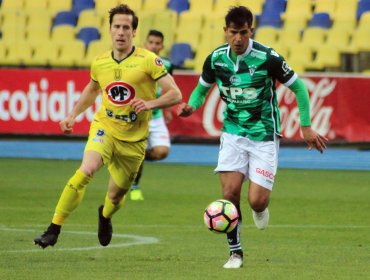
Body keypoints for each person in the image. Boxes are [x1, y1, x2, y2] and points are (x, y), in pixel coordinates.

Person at [177, 6, 328, 269]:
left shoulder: (268, 58)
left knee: (256, 200)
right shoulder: (215, 60)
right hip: (233, 133)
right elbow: (201, 91)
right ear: (225, 31)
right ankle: (235, 253)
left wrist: (306, 127)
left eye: (243, 33)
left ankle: (259, 209)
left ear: (251, 30)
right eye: (233, 33)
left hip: (264, 135)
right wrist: (191, 106)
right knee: (229, 194)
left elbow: (300, 88)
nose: (238, 39)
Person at [34, 4, 182, 249]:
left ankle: (105, 216)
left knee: (116, 196)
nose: (121, 32)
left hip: (133, 142)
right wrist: (72, 114)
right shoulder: (100, 62)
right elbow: (92, 89)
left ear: (134, 32)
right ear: (110, 30)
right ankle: (53, 228)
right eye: (117, 27)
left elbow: (175, 94)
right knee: (86, 170)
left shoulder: (148, 61)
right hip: (105, 128)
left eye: (126, 27)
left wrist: (149, 103)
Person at [130, 29, 174, 201]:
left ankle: (130, 157)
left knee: (162, 152)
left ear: (162, 46)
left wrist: (168, 109)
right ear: (145, 44)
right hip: (139, 115)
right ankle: (134, 186)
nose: (154, 46)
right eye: (151, 42)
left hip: (156, 116)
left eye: (157, 43)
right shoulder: (136, 61)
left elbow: (169, 87)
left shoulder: (167, 64)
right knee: (139, 151)